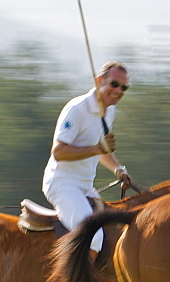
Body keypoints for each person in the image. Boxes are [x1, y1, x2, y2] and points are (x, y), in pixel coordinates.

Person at [42, 60, 133, 255]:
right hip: (62, 185)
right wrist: (97, 148)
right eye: (114, 84)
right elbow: (59, 152)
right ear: (99, 80)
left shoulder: (109, 111)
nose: (118, 91)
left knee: (113, 231)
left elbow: (101, 151)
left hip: (85, 187)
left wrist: (118, 169)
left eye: (124, 87)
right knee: (94, 236)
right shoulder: (77, 109)